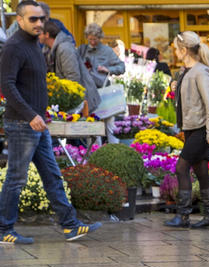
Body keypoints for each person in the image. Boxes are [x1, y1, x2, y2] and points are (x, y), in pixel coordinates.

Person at [0, 0, 101, 244]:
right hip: (24, 123)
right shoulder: (13, 47)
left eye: (41, 19)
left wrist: (41, 115)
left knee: (52, 175)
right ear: (20, 20)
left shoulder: (34, 44)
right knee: (16, 177)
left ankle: (70, 226)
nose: (38, 23)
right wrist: (30, 115)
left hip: (38, 122)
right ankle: (4, 230)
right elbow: (7, 85)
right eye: (32, 19)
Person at [164, 31, 209, 229]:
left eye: (176, 49)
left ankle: (183, 216)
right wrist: (175, 87)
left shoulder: (201, 72)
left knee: (181, 168)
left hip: (200, 129)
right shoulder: (185, 72)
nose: (175, 53)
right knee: (201, 171)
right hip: (190, 128)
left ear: (184, 50)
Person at [40, 19, 100, 114]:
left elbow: (73, 78)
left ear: (47, 34)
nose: (37, 36)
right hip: (72, 101)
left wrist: (71, 106)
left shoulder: (65, 49)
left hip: (81, 103)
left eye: (39, 33)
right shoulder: (48, 50)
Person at [78, 23, 124, 143]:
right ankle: (93, 154)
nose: (92, 42)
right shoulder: (82, 50)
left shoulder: (107, 51)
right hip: (88, 93)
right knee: (92, 125)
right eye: (90, 39)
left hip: (103, 91)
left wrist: (108, 69)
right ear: (87, 36)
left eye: (95, 39)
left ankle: (115, 152)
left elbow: (121, 66)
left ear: (100, 38)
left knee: (109, 125)